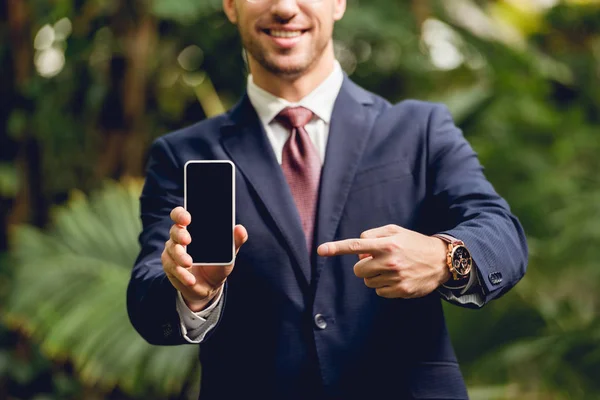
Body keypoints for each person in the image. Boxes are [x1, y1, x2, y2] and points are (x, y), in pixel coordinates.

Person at [127, 0, 528, 398]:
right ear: (231, 5)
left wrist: (443, 257)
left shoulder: (421, 128)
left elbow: (502, 235)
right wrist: (191, 294)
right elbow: (146, 298)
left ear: (339, 3)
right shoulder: (183, 153)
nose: (285, 8)